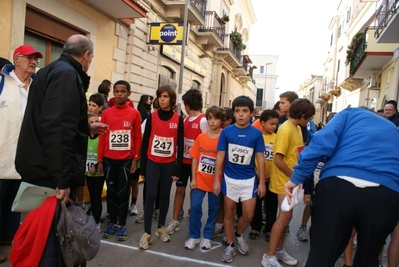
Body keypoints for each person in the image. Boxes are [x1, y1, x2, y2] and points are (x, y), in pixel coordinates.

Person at [15, 35, 108, 265]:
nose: (89, 62)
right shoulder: (67, 75)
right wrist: (62, 180)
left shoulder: (51, 70)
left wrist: (86, 127)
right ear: (86, 55)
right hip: (49, 176)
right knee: (53, 244)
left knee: (44, 241)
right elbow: (56, 129)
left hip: (43, 169)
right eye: (91, 58)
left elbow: (54, 118)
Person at [284, 107, 399, 266]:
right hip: (385, 194)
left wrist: (296, 178)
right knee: (369, 257)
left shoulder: (350, 114)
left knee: (321, 256)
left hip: (338, 185)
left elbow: (321, 142)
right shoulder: (393, 129)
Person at [0, 46, 42, 264]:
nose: (33, 61)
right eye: (29, 58)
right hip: (1, 155)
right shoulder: (2, 83)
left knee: (15, 203)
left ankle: (8, 236)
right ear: (17, 60)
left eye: (36, 59)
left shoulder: (38, 88)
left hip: (24, 158)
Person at [261, 98, 315, 267]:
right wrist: (295, 177)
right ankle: (269, 256)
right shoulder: (285, 130)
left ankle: (278, 250)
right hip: (284, 181)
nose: (310, 120)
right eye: (310, 117)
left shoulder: (298, 128)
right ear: (303, 115)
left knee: (287, 216)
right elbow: (278, 160)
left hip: (292, 181)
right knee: (284, 217)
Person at [213, 95, 266, 263]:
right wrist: (216, 179)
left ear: (251, 113)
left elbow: (260, 159)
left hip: (249, 180)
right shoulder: (227, 132)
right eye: (237, 111)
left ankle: (237, 235)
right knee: (229, 213)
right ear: (233, 113)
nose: (241, 114)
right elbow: (220, 157)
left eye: (244, 111)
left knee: (248, 215)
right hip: (230, 179)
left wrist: (262, 182)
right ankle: (229, 245)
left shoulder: (256, 134)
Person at [138, 85, 184, 250]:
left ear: (172, 100)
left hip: (168, 164)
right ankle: (146, 232)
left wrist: (177, 169)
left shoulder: (178, 119)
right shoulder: (152, 117)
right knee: (150, 194)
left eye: (165, 96)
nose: (162, 99)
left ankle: (160, 227)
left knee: (164, 195)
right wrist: (142, 167)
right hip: (152, 162)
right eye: (160, 96)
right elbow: (145, 143)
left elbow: (180, 144)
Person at [97, 80, 142, 241]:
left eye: (123, 91)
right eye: (117, 91)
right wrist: (100, 159)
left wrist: (135, 159)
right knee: (111, 192)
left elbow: (137, 137)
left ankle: (122, 224)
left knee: (123, 192)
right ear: (113, 93)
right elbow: (102, 137)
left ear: (128, 94)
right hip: (109, 160)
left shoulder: (134, 114)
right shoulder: (107, 113)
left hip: (125, 160)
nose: (119, 94)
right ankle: (112, 221)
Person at [165, 88, 209, 235]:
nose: (184, 106)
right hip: (183, 161)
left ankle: (192, 210)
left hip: (196, 163)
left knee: (194, 190)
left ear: (189, 104)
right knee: (179, 190)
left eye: (185, 104)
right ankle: (175, 219)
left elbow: (206, 141)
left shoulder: (203, 121)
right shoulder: (184, 120)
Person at [184, 106, 226, 250]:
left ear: (222, 120)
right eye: (209, 118)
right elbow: (195, 158)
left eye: (216, 118)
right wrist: (194, 179)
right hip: (200, 179)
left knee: (213, 209)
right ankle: (194, 235)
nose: (212, 122)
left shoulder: (224, 137)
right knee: (195, 207)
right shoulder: (201, 137)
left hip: (216, 181)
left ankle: (207, 236)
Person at [248, 110, 279, 240]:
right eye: (271, 124)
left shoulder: (277, 138)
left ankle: (270, 228)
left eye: (276, 124)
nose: (274, 126)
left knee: (272, 204)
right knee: (256, 203)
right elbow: (250, 157)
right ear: (262, 123)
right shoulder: (256, 136)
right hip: (256, 177)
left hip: (272, 177)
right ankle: (255, 227)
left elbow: (279, 157)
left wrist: (272, 174)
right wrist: (257, 174)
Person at [85, 113, 104, 232]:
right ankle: (93, 217)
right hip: (88, 173)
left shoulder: (101, 137)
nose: (94, 124)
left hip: (99, 173)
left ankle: (97, 221)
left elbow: (104, 154)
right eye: (91, 122)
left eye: (96, 121)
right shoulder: (84, 137)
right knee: (92, 196)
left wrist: (96, 166)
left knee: (97, 196)